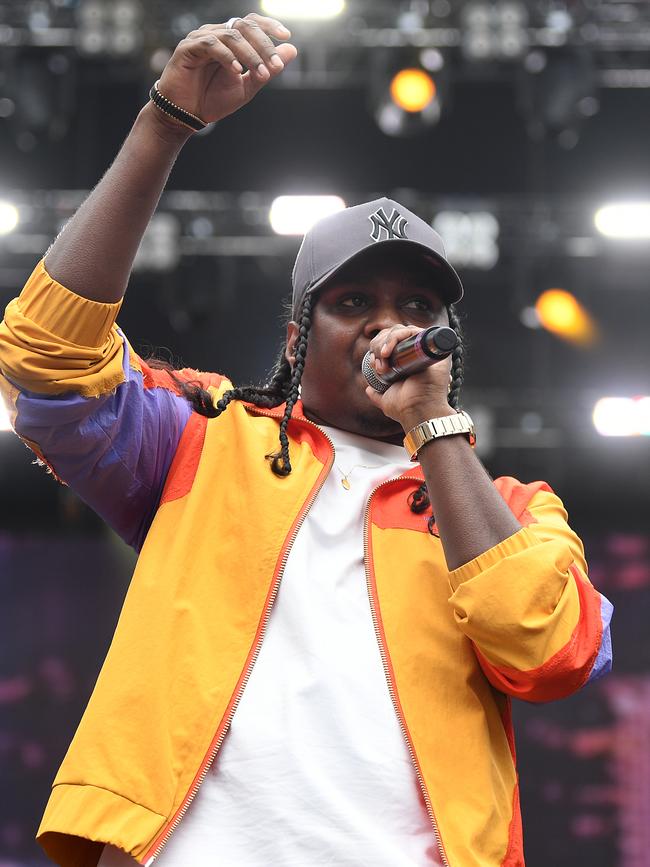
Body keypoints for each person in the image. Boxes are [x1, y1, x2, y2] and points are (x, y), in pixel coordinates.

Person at [0, 13, 613, 867]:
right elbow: (46, 361)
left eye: (419, 310)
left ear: (446, 344)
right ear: (296, 340)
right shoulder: (205, 437)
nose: (389, 326)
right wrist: (161, 125)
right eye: (354, 304)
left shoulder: (510, 510)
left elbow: (550, 654)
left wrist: (432, 428)